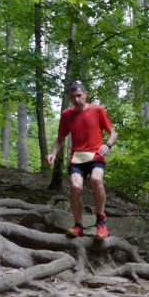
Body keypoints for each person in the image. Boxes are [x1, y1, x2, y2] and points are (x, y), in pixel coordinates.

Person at [46, 81, 117, 239]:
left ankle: (101, 222)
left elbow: (113, 132)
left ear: (85, 94)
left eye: (79, 95)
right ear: (69, 98)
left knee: (96, 180)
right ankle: (78, 225)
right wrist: (53, 154)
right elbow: (60, 139)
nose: (77, 99)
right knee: (75, 186)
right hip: (77, 158)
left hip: (96, 155)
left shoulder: (97, 110)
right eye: (73, 97)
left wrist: (108, 145)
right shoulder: (67, 115)